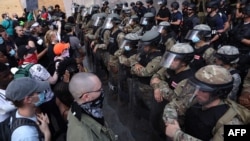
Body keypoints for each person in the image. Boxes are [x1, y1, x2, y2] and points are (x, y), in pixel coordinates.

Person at [163, 65, 250, 141]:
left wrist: (177, 135)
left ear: (218, 93)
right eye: (196, 87)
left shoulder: (233, 122)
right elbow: (172, 106)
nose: (196, 93)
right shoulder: (197, 99)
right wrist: (172, 122)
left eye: (203, 90)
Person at [67, 72, 116, 141]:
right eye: (99, 90)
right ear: (86, 97)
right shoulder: (85, 137)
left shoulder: (78, 108)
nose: (102, 91)